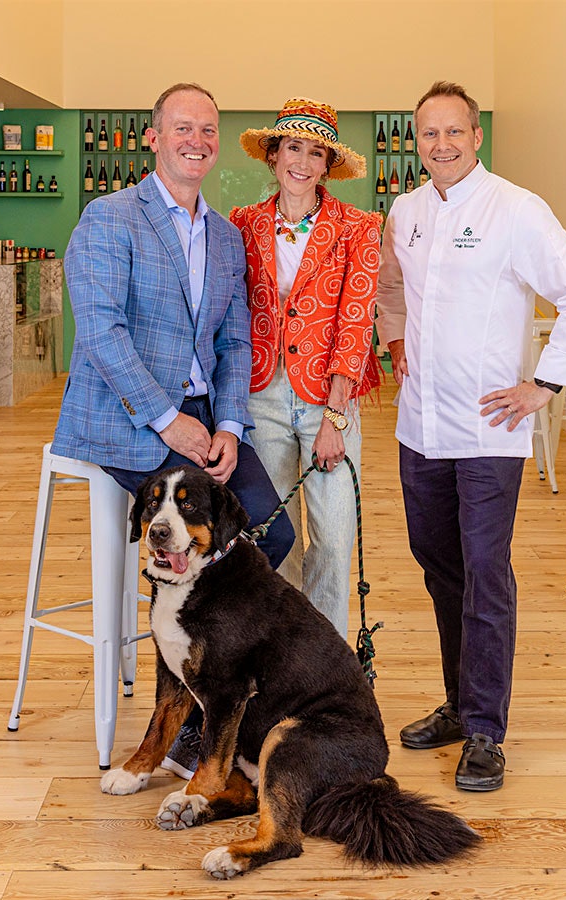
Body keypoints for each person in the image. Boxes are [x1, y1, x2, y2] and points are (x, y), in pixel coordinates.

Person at [51, 81, 295, 778]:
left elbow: (233, 344)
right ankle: (189, 713)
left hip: (200, 423)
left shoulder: (223, 236)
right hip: (129, 421)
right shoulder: (108, 218)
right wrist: (170, 422)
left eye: (208, 131)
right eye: (182, 128)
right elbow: (101, 332)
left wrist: (226, 424)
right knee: (183, 543)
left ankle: (203, 696)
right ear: (153, 138)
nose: (197, 140)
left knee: (270, 533)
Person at [376, 81, 566, 792]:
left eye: (454, 132)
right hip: (419, 426)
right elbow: (390, 287)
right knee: (439, 569)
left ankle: (484, 730)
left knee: (485, 574)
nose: (440, 145)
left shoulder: (516, 209)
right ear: (415, 141)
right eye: (428, 134)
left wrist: (545, 384)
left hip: (488, 430)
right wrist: (394, 342)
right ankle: (457, 702)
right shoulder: (406, 211)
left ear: (476, 136)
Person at [229, 98, 382, 637]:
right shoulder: (243, 224)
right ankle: (281, 657)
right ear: (273, 156)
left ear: (327, 166)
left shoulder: (359, 228)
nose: (303, 161)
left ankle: (329, 664)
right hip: (261, 393)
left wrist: (335, 416)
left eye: (316, 153)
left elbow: (357, 318)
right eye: (293, 147)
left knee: (335, 540)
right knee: (274, 535)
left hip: (328, 397)